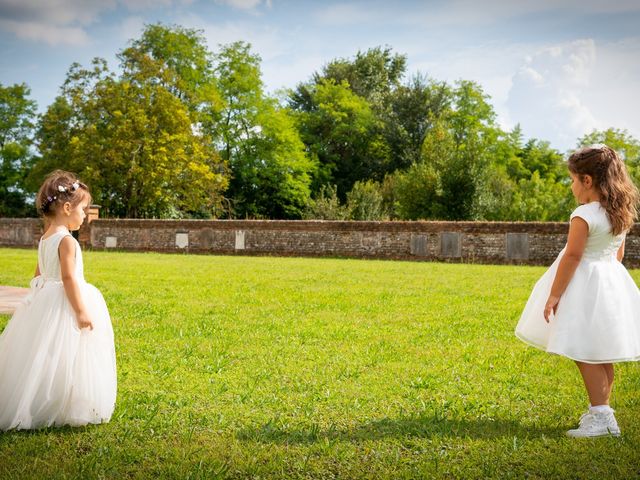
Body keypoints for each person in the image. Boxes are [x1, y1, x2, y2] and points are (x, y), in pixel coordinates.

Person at [515, 144, 640, 438]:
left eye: (572, 180)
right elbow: (618, 255)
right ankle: (602, 410)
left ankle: (602, 417)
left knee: (585, 350)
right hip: (609, 280)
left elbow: (572, 256)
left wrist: (555, 295)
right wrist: (608, 282)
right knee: (600, 350)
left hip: (584, 283)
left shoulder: (583, 214)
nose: (571, 186)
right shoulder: (618, 213)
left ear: (587, 181)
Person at [0, 170, 116, 430]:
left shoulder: (45, 238)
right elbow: (68, 278)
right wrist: (81, 311)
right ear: (66, 207)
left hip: (45, 300)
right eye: (83, 210)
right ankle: (66, 401)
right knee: (69, 351)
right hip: (65, 301)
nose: (85, 215)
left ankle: (41, 394)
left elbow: (39, 272)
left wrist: (37, 294)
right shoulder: (67, 240)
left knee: (43, 351)